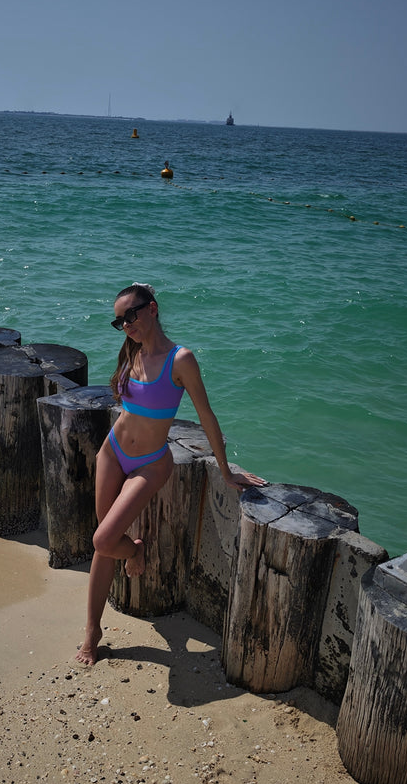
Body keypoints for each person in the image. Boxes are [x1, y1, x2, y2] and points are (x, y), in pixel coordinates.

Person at [75, 282, 266, 666]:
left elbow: (206, 416)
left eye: (131, 314)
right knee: (104, 542)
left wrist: (226, 472)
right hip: (112, 452)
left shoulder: (181, 360)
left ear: (152, 309)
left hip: (150, 464)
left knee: (104, 538)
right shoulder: (131, 350)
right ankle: (93, 628)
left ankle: (134, 551)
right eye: (118, 321)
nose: (125, 324)